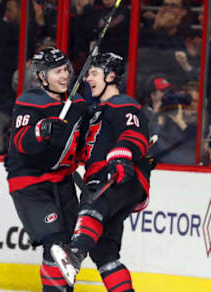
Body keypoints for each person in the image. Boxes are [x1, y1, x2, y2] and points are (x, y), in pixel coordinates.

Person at [51, 52, 152, 291]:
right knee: (105, 254)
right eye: (87, 74)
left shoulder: (122, 104)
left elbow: (134, 135)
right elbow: (77, 151)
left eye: (94, 73)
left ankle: (75, 253)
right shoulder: (93, 112)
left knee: (93, 205)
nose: (88, 79)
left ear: (111, 76)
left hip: (119, 176)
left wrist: (122, 156)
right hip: (102, 179)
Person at [4, 47, 88, 292]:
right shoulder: (29, 101)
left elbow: (87, 141)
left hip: (61, 181)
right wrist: (42, 130)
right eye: (56, 72)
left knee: (67, 248)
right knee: (54, 242)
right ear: (42, 77)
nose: (64, 77)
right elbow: (21, 142)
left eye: (65, 70)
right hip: (30, 183)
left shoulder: (77, 104)